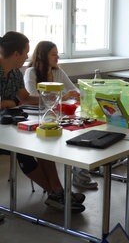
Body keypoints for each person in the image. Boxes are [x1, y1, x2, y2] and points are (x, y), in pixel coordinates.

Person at [0, 32, 85, 213]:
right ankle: (57, 192)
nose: (27, 57)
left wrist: (51, 97)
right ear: (16, 54)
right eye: (25, 53)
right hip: (4, 128)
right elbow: (14, 102)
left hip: (9, 122)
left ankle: (57, 192)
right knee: (25, 153)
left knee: (42, 143)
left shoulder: (14, 73)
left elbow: (25, 98)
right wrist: (9, 103)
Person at [24, 41, 98, 190]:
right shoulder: (31, 72)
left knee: (80, 130)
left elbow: (73, 89)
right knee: (65, 135)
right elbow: (32, 97)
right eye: (53, 54)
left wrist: (78, 95)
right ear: (43, 55)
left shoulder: (57, 71)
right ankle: (70, 179)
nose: (57, 57)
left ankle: (80, 173)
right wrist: (62, 97)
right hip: (35, 116)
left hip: (58, 114)